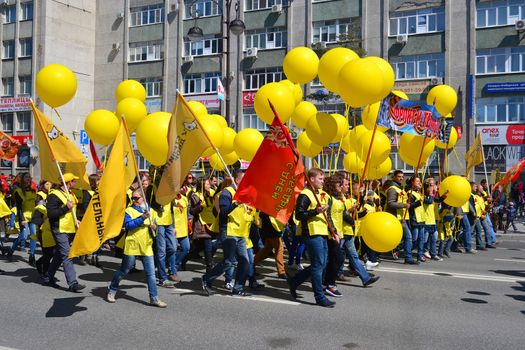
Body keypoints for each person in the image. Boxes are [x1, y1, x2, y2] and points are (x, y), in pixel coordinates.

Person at [106, 190, 167, 307]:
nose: (134, 200)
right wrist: (142, 218)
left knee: (151, 274)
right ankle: (112, 289)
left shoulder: (152, 211)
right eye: (133, 198)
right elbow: (128, 225)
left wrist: (154, 228)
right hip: (132, 245)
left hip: (146, 246)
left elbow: (156, 228)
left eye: (136, 198)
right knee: (124, 270)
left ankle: (154, 298)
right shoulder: (129, 210)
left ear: (143, 198)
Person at [286, 168, 336, 308]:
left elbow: (327, 216)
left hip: (322, 232)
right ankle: (319, 297)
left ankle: (295, 281)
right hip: (311, 234)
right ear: (311, 179)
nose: (323, 181)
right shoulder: (306, 194)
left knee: (320, 264)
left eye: (323, 179)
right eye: (320, 179)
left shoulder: (321, 194)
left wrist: (333, 231)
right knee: (318, 265)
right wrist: (315, 211)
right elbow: (299, 215)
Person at [201, 169, 255, 297]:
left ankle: (238, 288)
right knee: (229, 261)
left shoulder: (244, 193)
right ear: (237, 180)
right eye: (244, 180)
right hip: (229, 231)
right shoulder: (227, 193)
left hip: (241, 233)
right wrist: (236, 203)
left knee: (245, 262)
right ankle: (207, 278)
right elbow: (223, 212)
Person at [45, 173, 85, 292]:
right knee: (67, 255)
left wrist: (76, 219)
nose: (74, 183)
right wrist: (65, 208)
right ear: (68, 182)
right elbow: (51, 214)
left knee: (59, 255)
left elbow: (72, 212)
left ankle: (48, 276)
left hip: (70, 229)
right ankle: (73, 283)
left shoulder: (70, 194)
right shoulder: (54, 195)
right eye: (73, 181)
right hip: (59, 229)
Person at [385, 170, 418, 265]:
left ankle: (407, 257)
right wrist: (404, 205)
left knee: (407, 237)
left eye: (402, 177)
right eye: (399, 176)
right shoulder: (392, 189)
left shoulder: (400, 188)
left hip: (402, 218)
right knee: (404, 237)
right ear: (394, 177)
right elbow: (390, 203)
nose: (401, 178)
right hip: (395, 217)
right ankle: (374, 254)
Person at [6, 172, 37, 262]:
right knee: (23, 236)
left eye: (29, 177)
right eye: (26, 177)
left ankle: (32, 255)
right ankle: (11, 250)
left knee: (33, 235)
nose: (28, 179)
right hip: (23, 217)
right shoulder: (18, 191)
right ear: (22, 179)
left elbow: (35, 203)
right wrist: (22, 219)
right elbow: (18, 207)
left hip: (33, 217)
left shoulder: (33, 190)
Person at [253, 212, 286, 279]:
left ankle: (251, 265)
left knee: (266, 249)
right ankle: (281, 271)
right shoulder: (266, 207)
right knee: (279, 249)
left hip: (269, 228)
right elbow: (263, 215)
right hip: (271, 229)